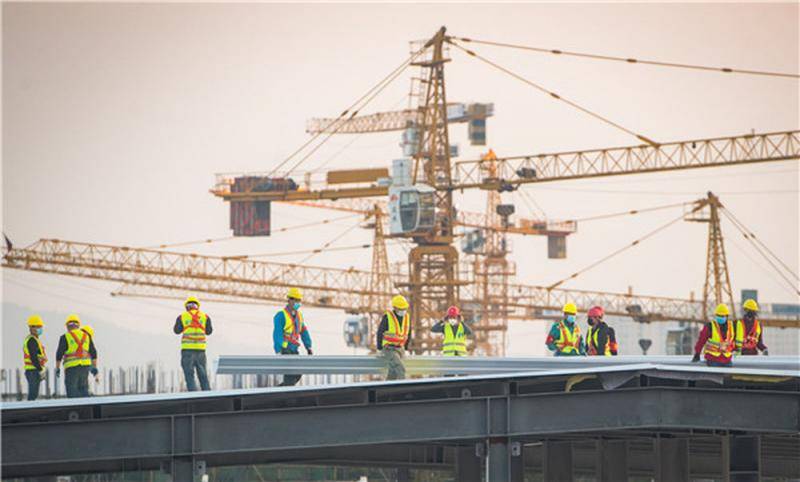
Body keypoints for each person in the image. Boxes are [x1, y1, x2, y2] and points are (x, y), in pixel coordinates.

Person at [272, 287, 313, 386]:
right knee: (290, 377)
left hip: (294, 349)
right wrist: (280, 349)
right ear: (289, 300)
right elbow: (277, 333)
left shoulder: (299, 316)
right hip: (285, 349)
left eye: (299, 300)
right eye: (296, 300)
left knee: (298, 372)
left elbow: (303, 331)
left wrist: (308, 346)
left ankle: (278, 392)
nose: (298, 302)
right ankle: (283, 396)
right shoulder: (281, 315)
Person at [174, 296, 213, 391]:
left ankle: (193, 396)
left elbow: (176, 330)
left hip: (187, 350)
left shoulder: (182, 316)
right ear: (197, 306)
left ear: (187, 307)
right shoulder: (205, 317)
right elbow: (209, 331)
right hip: (201, 351)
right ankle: (208, 397)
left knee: (189, 375)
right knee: (203, 376)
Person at [55, 314, 98, 398]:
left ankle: (74, 409)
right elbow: (94, 353)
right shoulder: (86, 336)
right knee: (83, 389)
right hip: (84, 367)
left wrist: (57, 368)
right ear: (78, 325)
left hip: (71, 368)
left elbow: (59, 354)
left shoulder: (65, 337)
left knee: (72, 390)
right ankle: (85, 408)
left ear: (67, 326)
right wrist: (94, 367)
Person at [376, 295, 412, 380]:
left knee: (392, 373)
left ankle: (386, 392)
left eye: (404, 308)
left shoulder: (407, 317)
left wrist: (406, 348)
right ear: (395, 308)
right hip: (389, 349)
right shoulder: (388, 317)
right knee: (401, 369)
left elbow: (408, 333)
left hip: (400, 349)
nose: (403, 311)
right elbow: (380, 332)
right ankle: (403, 392)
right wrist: (379, 348)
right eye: (400, 309)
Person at [23, 315, 47, 401]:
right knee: (33, 394)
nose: (40, 329)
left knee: (34, 394)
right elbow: (33, 357)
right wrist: (40, 369)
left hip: (34, 370)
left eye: (41, 327)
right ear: (32, 328)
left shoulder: (35, 340)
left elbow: (38, 356)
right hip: (32, 370)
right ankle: (28, 412)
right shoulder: (31, 340)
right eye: (39, 327)